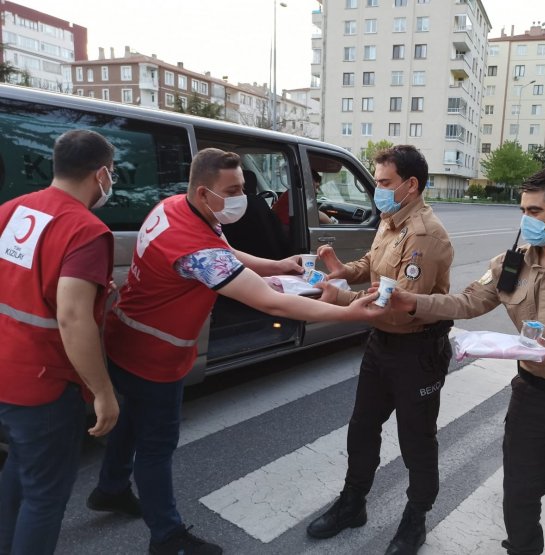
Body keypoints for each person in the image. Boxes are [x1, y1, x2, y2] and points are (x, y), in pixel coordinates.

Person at [86, 148, 380, 555]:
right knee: (156, 446)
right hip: (153, 355)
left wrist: (278, 265)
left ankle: (111, 487)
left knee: (133, 422)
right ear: (205, 192)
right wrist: (346, 313)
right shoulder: (192, 244)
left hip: (128, 338)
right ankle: (167, 537)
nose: (245, 196)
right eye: (235, 189)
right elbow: (271, 304)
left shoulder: (178, 208)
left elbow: (228, 256)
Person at [390, 167, 545, 555]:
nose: (526, 220)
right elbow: (468, 301)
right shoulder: (513, 262)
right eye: (523, 210)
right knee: (519, 498)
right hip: (530, 397)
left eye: (536, 211)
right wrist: (415, 302)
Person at [307, 145, 454, 555]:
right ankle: (353, 502)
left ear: (411, 185)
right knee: (362, 426)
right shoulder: (391, 220)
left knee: (416, 440)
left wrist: (338, 299)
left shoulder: (425, 234)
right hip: (381, 345)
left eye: (385, 182)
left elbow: (400, 306)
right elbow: (374, 265)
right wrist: (342, 270)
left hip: (416, 352)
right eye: (376, 181)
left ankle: (415, 519)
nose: (378, 190)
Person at [0, 129, 120, 555]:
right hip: (42, 386)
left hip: (5, 375)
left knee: (21, 467)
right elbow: (72, 317)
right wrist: (104, 392)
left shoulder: (13, 211)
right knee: (45, 496)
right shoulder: (85, 230)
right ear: (102, 174)